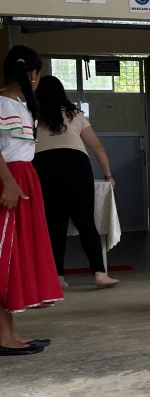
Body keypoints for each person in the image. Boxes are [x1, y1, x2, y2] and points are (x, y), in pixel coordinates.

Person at [0, 45, 63, 356]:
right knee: (5, 255)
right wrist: (9, 181)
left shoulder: (21, 105)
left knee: (15, 254)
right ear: (33, 73)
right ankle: (2, 335)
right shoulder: (1, 102)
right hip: (9, 179)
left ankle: (9, 331)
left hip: (23, 178)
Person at [33, 75, 118, 290]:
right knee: (85, 221)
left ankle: (58, 276)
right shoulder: (74, 114)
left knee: (55, 224)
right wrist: (108, 176)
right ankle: (99, 273)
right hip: (76, 165)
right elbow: (97, 148)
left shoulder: (33, 116)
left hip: (45, 167)